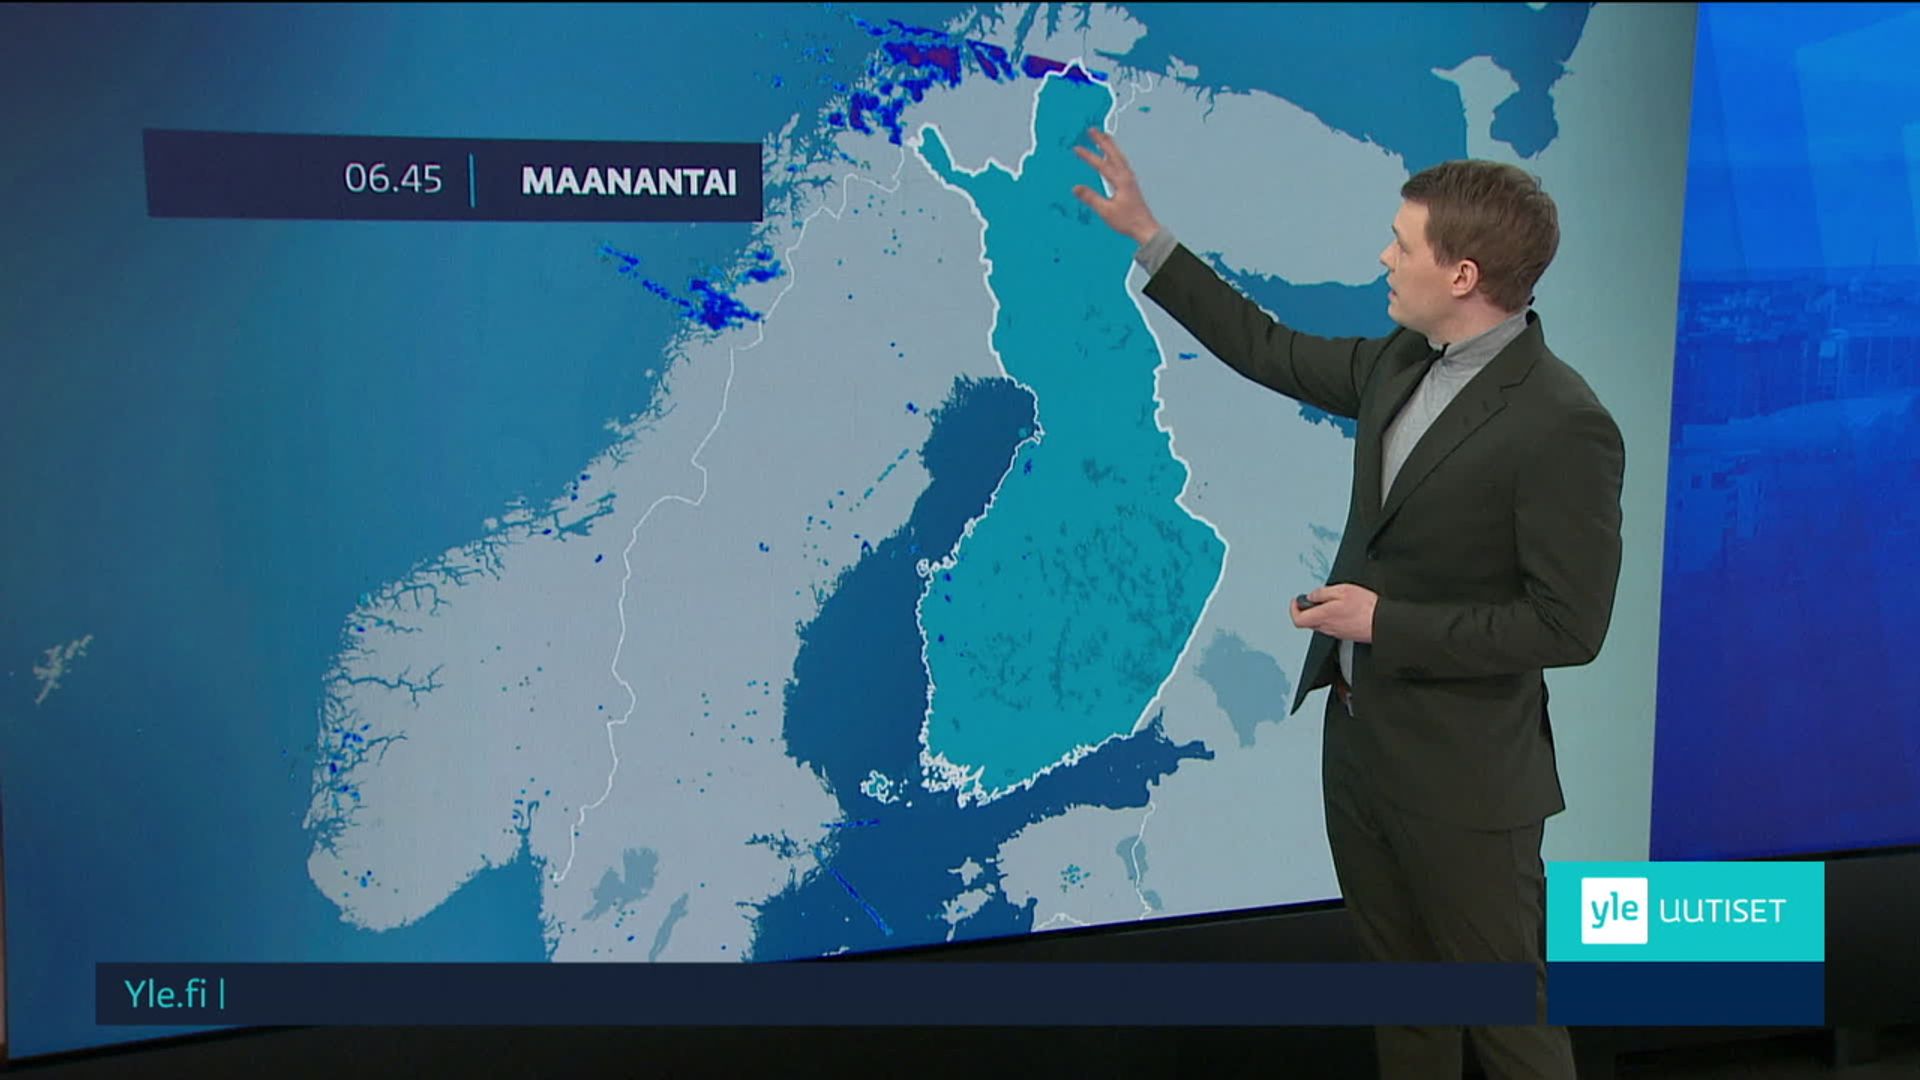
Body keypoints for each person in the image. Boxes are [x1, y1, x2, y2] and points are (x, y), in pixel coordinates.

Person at [1073, 128, 1625, 1079]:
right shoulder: (1402, 362)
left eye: (1402, 245)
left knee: (1509, 1027)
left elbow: (1569, 626)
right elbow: (1269, 349)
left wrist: (1383, 624)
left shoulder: (1561, 423)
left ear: (1462, 274)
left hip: (1467, 781)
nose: (1384, 257)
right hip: (1364, 751)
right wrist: (1150, 238)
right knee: (1407, 1010)